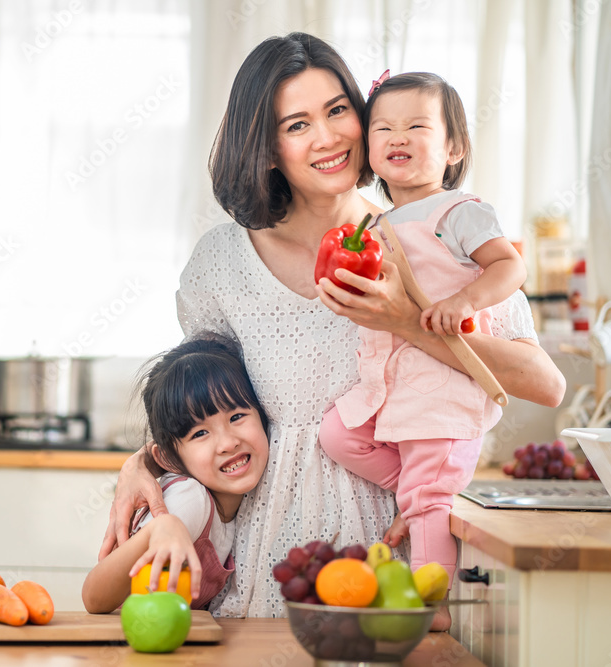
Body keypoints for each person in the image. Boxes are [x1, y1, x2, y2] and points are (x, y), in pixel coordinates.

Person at [100, 32, 565, 620]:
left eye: (338, 110)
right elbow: (202, 406)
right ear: (266, 148)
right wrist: (140, 462)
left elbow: (544, 385)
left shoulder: (435, 236)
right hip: (265, 569)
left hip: (389, 564)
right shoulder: (220, 265)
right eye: (297, 125)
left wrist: (408, 322)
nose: (328, 137)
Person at [317, 71, 528, 630]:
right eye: (382, 126)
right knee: (336, 434)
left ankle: (430, 608)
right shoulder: (374, 222)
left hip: (441, 388)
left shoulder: (459, 211)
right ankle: (427, 488)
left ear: (453, 147)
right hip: (391, 386)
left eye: (416, 125)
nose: (396, 136)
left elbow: (510, 265)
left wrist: (465, 300)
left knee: (428, 502)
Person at [81, 334, 269, 614]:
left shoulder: (238, 500)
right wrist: (161, 527)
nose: (228, 442)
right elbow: (94, 598)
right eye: (200, 433)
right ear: (168, 457)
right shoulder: (191, 499)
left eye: (237, 417)